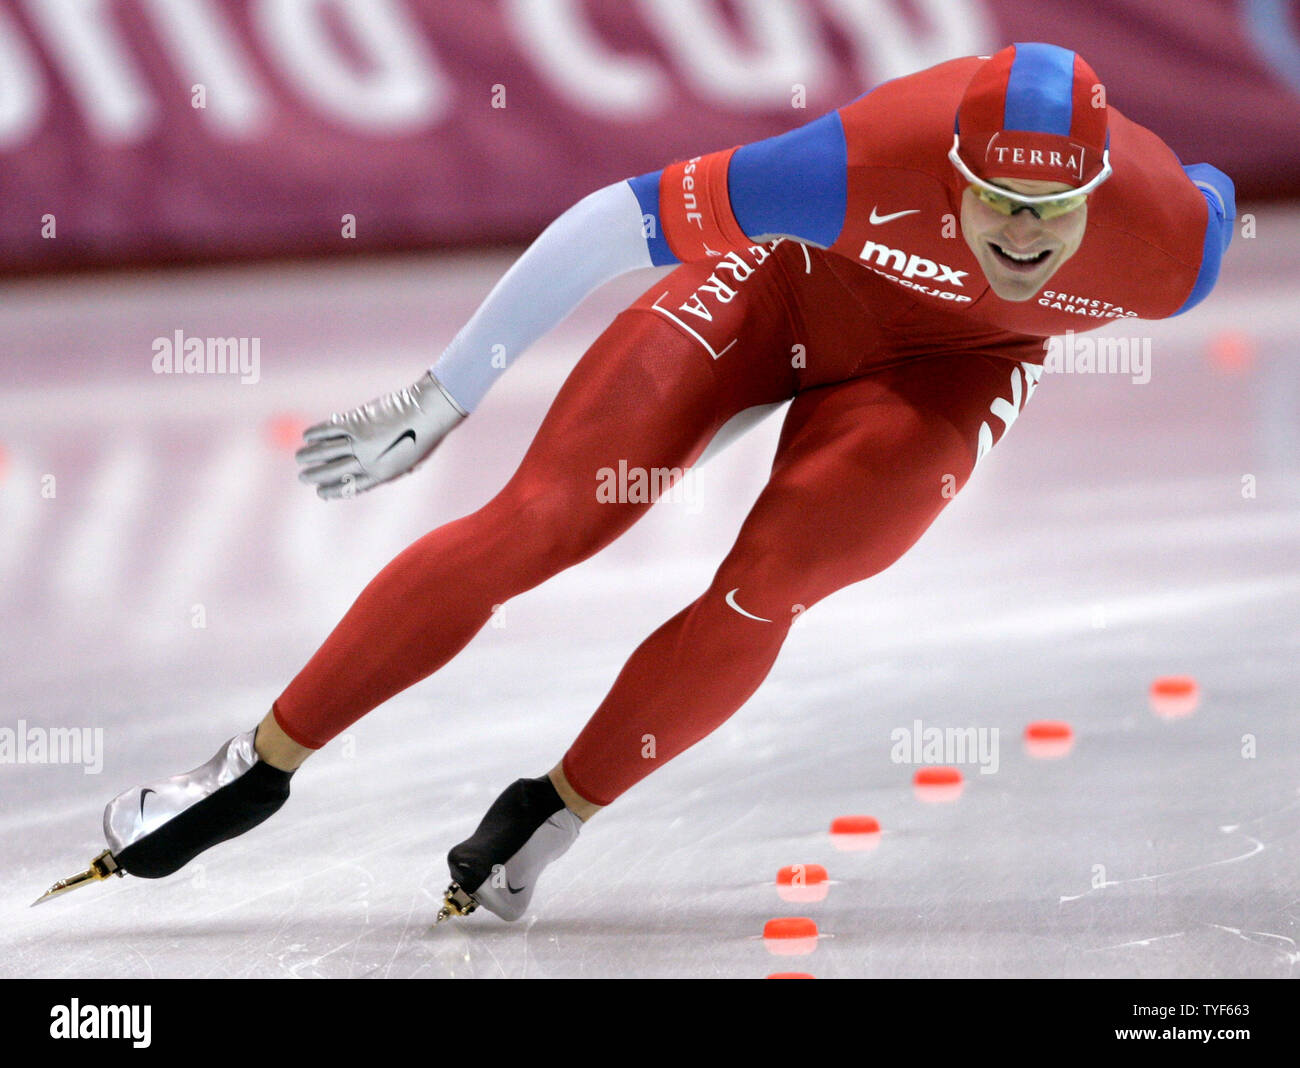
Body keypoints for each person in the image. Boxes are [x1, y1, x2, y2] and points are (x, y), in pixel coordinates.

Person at [40, 43, 1234, 921]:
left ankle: (552, 814)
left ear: (1097, 198)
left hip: (949, 372)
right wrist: (445, 396)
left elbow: (1212, 194)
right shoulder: (854, 163)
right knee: (546, 520)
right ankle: (253, 767)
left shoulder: (1172, 246)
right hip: (774, 294)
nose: (1022, 238)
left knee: (771, 584)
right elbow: (607, 224)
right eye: (996, 203)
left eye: (1054, 214)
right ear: (952, 170)